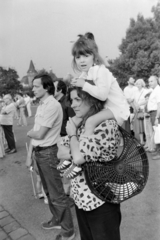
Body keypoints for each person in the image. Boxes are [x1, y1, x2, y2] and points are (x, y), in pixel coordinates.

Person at [58, 32, 129, 177]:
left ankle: (79, 161)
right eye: (78, 57)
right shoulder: (87, 73)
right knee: (75, 121)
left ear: (94, 57)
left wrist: (83, 84)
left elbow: (102, 94)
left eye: (86, 56)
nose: (82, 60)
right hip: (105, 108)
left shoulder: (101, 71)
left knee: (89, 122)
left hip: (116, 109)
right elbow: (81, 90)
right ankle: (70, 156)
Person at [58, 86, 121, 240]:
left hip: (102, 200)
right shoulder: (83, 123)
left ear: (92, 99)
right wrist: (76, 148)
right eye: (72, 100)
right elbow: (60, 150)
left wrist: (72, 136)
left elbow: (78, 158)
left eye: (77, 99)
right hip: (82, 198)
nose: (72, 105)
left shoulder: (106, 125)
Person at [26, 73, 75, 240]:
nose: (33, 89)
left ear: (46, 87)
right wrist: (30, 153)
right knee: (48, 192)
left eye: (36, 86)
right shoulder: (42, 104)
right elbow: (37, 134)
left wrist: (29, 133)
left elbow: (39, 134)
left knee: (57, 194)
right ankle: (57, 220)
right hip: (40, 152)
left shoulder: (52, 105)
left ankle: (68, 231)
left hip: (48, 153)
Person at [132, 79, 149, 144]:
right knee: (139, 127)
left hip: (143, 110)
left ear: (142, 84)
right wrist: (135, 107)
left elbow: (147, 100)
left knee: (145, 126)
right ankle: (141, 141)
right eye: (137, 83)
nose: (138, 85)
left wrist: (139, 105)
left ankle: (147, 141)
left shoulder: (145, 91)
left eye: (139, 83)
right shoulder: (135, 92)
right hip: (137, 111)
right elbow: (134, 101)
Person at [147, 75, 160, 160]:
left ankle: (159, 153)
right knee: (156, 132)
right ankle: (158, 150)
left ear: (156, 80)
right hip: (153, 113)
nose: (149, 83)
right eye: (149, 81)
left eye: (151, 81)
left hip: (156, 113)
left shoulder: (158, 90)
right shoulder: (154, 90)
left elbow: (159, 104)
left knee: (158, 133)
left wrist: (157, 117)